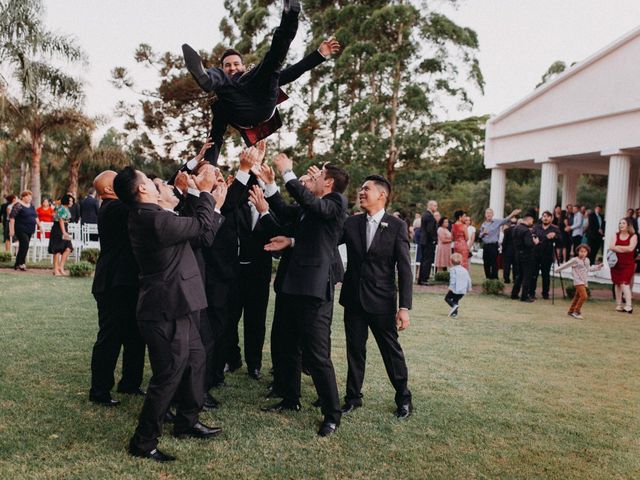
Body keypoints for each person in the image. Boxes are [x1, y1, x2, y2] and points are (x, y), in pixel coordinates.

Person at [114, 164, 226, 462]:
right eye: (149, 180)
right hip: (166, 310)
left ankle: (186, 423)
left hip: (181, 304)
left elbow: (202, 236)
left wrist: (211, 205)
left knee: (196, 360)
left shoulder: (153, 217)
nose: (154, 182)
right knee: (168, 376)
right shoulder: (153, 220)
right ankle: (143, 442)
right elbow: (200, 227)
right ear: (141, 190)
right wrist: (204, 193)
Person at [182, 1, 339, 165]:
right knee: (221, 83)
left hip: (263, 100)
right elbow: (216, 135)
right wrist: (209, 165)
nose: (232, 67)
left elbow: (293, 72)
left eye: (236, 64)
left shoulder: (250, 74)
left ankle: (290, 14)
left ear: (242, 66)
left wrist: (319, 54)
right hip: (242, 111)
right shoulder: (222, 96)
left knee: (273, 61)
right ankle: (206, 78)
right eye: (227, 65)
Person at [259, 155, 348, 437]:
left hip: (313, 290)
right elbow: (286, 212)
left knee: (318, 355)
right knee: (287, 346)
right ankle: (290, 398)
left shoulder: (335, 203)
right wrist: (272, 185)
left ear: (330, 182)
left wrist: (288, 172)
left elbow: (313, 205)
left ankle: (332, 414)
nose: (317, 176)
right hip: (292, 286)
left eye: (320, 174)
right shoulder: (310, 207)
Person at [337, 175, 413, 418]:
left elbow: (404, 269)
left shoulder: (397, 226)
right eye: (361, 188)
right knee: (355, 351)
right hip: (353, 300)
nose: (361, 192)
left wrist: (404, 307)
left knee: (391, 352)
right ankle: (352, 397)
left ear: (382, 195)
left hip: (382, 302)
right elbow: (326, 241)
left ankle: (403, 398)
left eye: (366, 189)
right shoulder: (351, 223)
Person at [89, 171, 147, 407]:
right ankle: (99, 390)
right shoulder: (114, 207)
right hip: (113, 284)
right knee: (110, 338)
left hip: (127, 281)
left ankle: (130, 383)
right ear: (109, 190)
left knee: (135, 335)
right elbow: (146, 199)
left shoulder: (119, 207)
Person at [555, 244, 603, 319]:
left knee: (577, 296)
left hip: (584, 281)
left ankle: (571, 311)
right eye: (581, 251)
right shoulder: (575, 260)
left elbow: (589, 269)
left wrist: (598, 267)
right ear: (578, 252)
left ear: (587, 252)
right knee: (584, 296)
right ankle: (576, 312)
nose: (583, 253)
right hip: (578, 281)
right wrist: (557, 270)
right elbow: (566, 265)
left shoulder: (587, 260)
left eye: (584, 251)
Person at [478, 208, 521, 279]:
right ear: (485, 215)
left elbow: (506, 219)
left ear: (492, 214)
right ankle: (488, 277)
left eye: (490, 213)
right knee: (486, 263)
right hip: (486, 245)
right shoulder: (483, 224)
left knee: (494, 262)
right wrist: (483, 234)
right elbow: (480, 236)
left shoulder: (497, 222)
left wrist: (512, 214)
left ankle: (494, 278)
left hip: (493, 245)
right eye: (487, 213)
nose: (489, 214)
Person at [609, 218, 637, 314]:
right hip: (616, 264)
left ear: (628, 225)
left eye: (623, 223)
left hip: (628, 264)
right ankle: (619, 305)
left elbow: (631, 248)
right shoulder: (615, 235)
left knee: (624, 283)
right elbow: (611, 247)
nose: (621, 225)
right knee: (617, 283)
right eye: (620, 223)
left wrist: (618, 248)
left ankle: (629, 306)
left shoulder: (633, 236)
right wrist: (622, 248)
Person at [531, 211, 561, 300]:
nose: (545, 218)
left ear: (551, 218)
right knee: (534, 274)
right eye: (544, 216)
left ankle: (545, 293)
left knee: (545, 275)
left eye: (548, 216)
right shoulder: (536, 227)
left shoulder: (555, 228)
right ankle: (531, 293)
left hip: (547, 255)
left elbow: (561, 240)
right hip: (535, 254)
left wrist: (555, 236)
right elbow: (532, 235)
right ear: (542, 217)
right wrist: (533, 238)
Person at [9, 190, 41, 271]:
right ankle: (21, 263)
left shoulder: (32, 206)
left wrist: (40, 226)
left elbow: (35, 217)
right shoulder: (18, 205)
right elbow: (12, 218)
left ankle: (17, 264)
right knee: (25, 245)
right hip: (20, 229)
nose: (30, 198)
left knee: (23, 246)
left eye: (30, 196)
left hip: (30, 229)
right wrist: (12, 230)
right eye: (28, 196)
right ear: (23, 197)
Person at [510, 212, 539, 302]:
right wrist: (535, 242)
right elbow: (528, 244)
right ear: (529, 220)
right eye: (532, 221)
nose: (532, 222)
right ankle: (524, 296)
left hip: (517, 254)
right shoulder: (526, 230)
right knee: (527, 276)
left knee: (519, 275)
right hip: (526, 255)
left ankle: (514, 294)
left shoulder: (516, 228)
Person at [48, 194, 74, 276]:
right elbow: (61, 220)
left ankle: (61, 267)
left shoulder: (66, 209)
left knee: (68, 248)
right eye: (70, 201)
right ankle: (56, 270)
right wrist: (64, 232)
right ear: (66, 200)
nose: (72, 202)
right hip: (58, 229)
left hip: (64, 228)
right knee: (57, 250)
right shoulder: (62, 208)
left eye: (72, 201)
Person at [444, 253, 472, 318]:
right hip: (462, 290)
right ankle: (454, 314)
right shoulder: (465, 270)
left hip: (455, 289)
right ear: (461, 261)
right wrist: (469, 288)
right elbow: (469, 280)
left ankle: (454, 306)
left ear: (451, 262)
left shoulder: (453, 270)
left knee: (447, 298)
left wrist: (450, 287)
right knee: (456, 300)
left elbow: (453, 280)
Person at [417, 200, 438, 285]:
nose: (436, 207)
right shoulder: (429, 216)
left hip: (424, 241)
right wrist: (434, 240)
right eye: (435, 206)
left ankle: (421, 278)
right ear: (430, 206)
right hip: (428, 241)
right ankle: (424, 279)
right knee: (427, 260)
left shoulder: (425, 215)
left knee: (424, 260)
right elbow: (430, 230)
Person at [501, 217, 518, 283]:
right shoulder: (518, 230)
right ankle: (515, 279)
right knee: (515, 266)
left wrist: (503, 249)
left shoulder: (507, 230)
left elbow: (504, 241)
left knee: (506, 266)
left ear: (510, 223)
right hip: (516, 250)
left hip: (508, 251)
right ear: (516, 223)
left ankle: (506, 279)